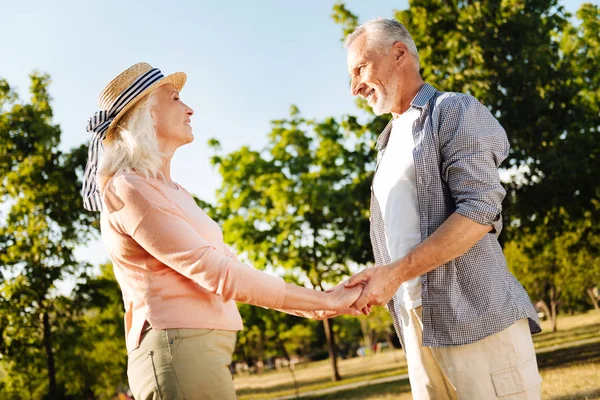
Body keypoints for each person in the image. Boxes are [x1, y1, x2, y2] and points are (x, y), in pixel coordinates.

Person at [81, 62, 362, 400]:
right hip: (178, 351)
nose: (189, 108)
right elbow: (219, 274)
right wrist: (323, 302)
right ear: (147, 113)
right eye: (175, 98)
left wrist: (318, 304)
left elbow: (233, 266)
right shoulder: (129, 189)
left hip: (199, 351)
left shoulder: (175, 192)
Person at [341, 19, 543, 399]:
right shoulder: (387, 143)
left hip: (474, 315)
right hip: (416, 320)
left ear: (399, 53)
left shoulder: (451, 110)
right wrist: (381, 280)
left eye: (360, 69)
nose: (355, 87)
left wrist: (394, 273)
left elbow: (479, 211)